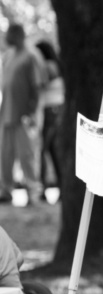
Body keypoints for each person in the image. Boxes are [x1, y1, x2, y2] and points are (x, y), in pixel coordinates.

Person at [0, 23, 47, 206]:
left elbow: (38, 87)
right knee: (5, 154)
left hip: (25, 115)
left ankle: (33, 191)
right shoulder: (8, 55)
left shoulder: (31, 55)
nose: (6, 37)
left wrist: (32, 112)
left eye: (9, 33)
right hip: (7, 113)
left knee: (27, 155)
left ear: (18, 34)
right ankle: (6, 189)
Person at [35, 40, 64, 199]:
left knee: (42, 149)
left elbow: (39, 85)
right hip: (56, 110)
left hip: (50, 110)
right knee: (53, 151)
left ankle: (43, 189)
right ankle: (61, 188)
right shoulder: (56, 65)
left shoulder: (48, 66)